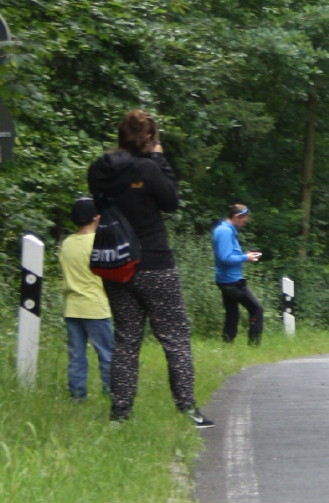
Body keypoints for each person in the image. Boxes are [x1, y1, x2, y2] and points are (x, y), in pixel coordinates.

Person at [88, 109, 213, 428]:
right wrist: (159, 158)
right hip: (154, 262)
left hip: (116, 262)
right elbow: (171, 201)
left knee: (126, 340)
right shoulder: (148, 167)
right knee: (175, 337)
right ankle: (188, 409)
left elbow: (99, 203)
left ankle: (120, 415)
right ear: (149, 137)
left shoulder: (100, 169)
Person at [60, 195, 114, 400]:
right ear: (96, 218)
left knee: (76, 355)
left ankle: (77, 395)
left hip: (72, 307)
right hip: (95, 306)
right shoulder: (100, 242)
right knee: (107, 354)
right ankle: (112, 393)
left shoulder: (67, 243)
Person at [212, 203, 264, 345]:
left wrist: (245, 255)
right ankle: (254, 345)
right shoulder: (225, 231)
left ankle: (227, 343)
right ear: (236, 216)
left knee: (232, 313)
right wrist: (246, 257)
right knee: (256, 309)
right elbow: (225, 258)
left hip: (227, 279)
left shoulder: (227, 229)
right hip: (231, 282)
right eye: (244, 219)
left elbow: (229, 254)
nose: (245, 222)